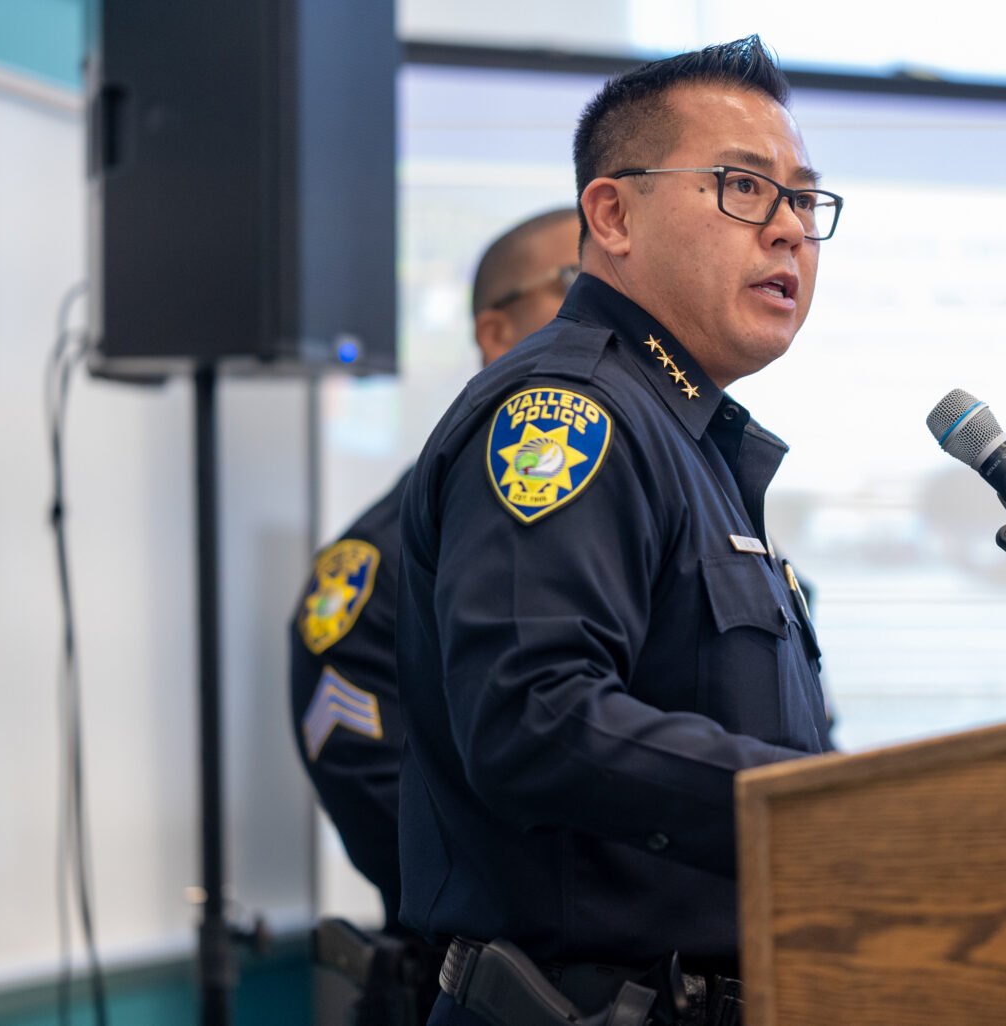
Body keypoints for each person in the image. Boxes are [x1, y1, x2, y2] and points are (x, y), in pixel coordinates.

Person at [397, 36, 842, 1026]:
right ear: (613, 214)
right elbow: (533, 716)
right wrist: (821, 808)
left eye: (805, 202)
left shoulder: (693, 441)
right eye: (742, 187)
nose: (787, 232)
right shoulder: (568, 410)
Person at [289, 207, 580, 1026]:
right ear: (495, 330)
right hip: (481, 987)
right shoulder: (377, 561)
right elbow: (363, 773)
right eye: (575, 285)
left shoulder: (706, 513)